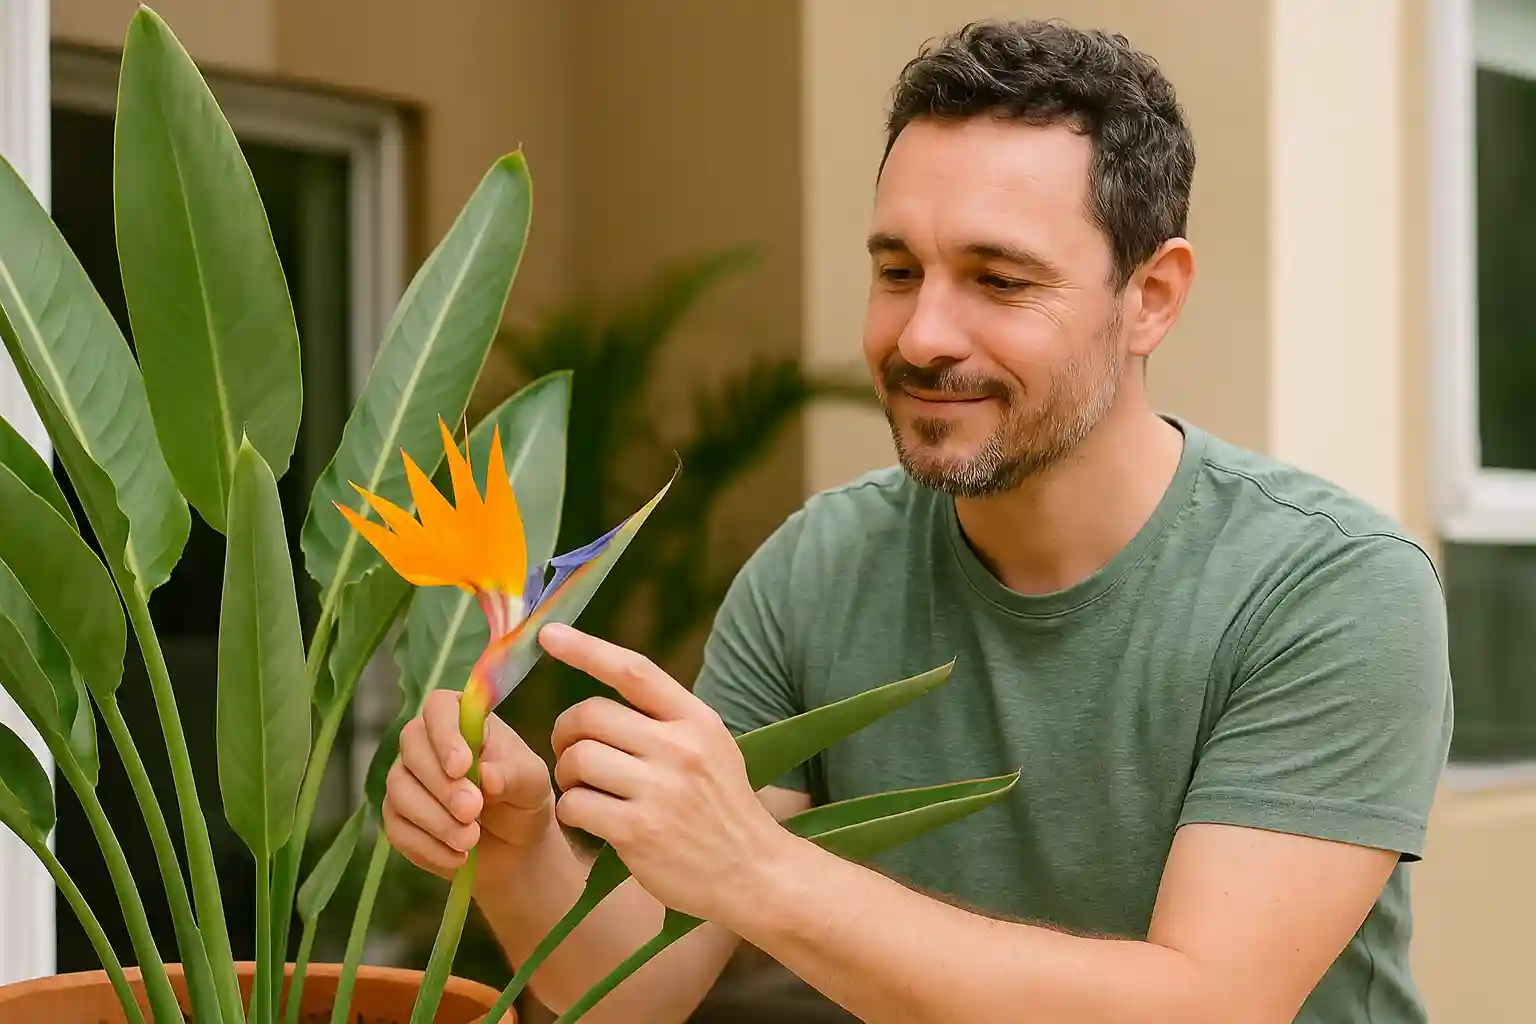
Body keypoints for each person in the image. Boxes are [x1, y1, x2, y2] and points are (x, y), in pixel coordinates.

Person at [382, 18, 1453, 1023]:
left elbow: (1203, 1006)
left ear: (1153, 296)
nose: (924, 333)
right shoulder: (819, 567)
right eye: (898, 271)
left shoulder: (1332, 587)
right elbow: (633, 994)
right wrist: (519, 851)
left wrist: (758, 869)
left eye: (998, 279)